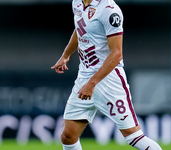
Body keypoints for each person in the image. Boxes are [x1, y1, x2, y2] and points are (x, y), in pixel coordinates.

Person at [51, 0, 162, 149]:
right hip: (84, 76)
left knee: (133, 136)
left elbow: (116, 54)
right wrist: (66, 55)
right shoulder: (77, 3)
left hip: (109, 79)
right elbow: (80, 29)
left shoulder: (109, 10)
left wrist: (92, 84)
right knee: (68, 136)